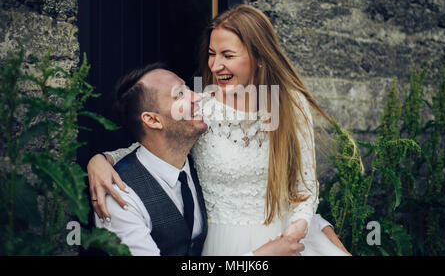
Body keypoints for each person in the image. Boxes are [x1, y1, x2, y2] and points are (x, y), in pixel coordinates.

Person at [89, 4, 352, 255]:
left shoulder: (290, 105)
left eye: (227, 55)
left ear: (258, 57)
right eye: (212, 54)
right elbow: (156, 142)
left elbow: (304, 185)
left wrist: (301, 227)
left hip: (287, 236)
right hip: (223, 243)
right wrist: (101, 160)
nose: (215, 66)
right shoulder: (203, 107)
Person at [90, 62, 306, 256]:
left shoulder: (202, 161)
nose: (199, 96)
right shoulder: (118, 198)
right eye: (180, 94)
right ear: (153, 120)